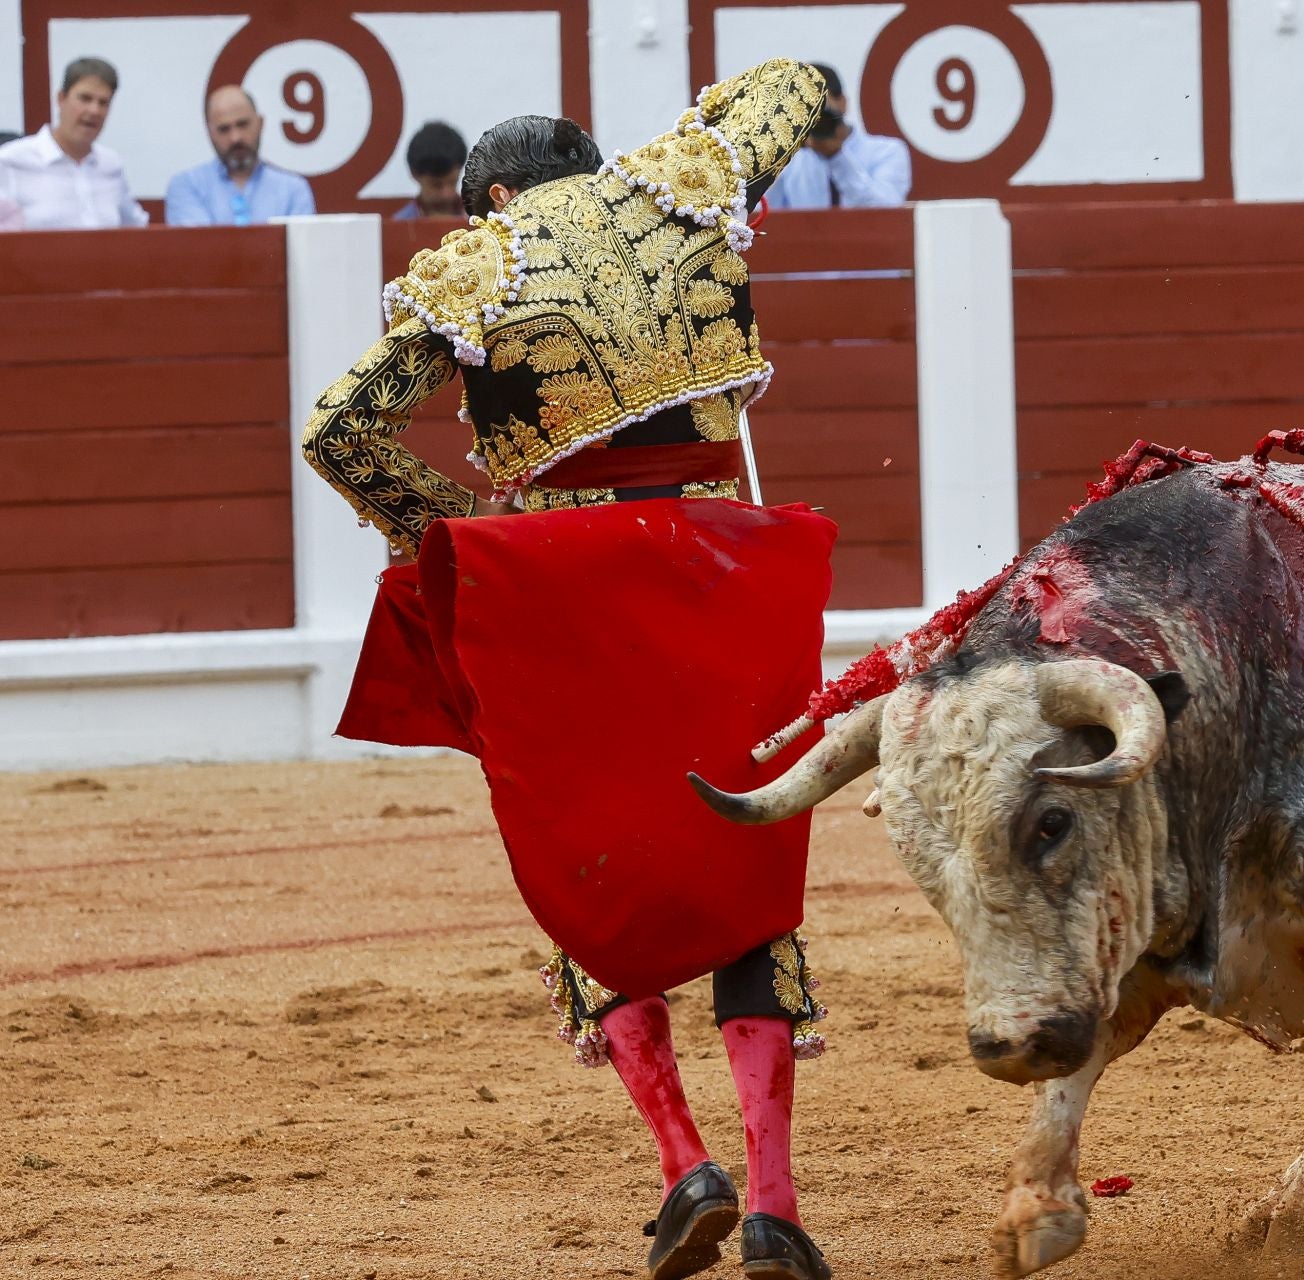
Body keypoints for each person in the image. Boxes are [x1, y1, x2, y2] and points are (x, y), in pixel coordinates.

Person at [301, 60, 836, 1280]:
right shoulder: (683, 191)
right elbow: (797, 83)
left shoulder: (480, 259)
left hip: (567, 594)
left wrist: (462, 538)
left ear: (489, 194)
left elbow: (339, 430)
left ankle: (682, 1164)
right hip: (724, 569)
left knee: (595, 861)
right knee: (745, 860)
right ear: (600, 170)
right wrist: (662, 164)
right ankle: (774, 1201)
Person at [0, 57, 147, 229]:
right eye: (85, 98)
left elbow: (137, 229)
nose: (94, 110)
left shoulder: (111, 165)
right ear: (61, 99)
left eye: (103, 103)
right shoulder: (10, 161)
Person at [764, 62, 910, 208]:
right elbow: (761, 216)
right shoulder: (791, 162)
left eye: (821, 110)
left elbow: (887, 210)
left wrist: (837, 157)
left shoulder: (887, 151)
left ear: (843, 103)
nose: (815, 120)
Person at [164, 85, 316, 225]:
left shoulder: (293, 190)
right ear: (210, 134)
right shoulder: (187, 186)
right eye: (224, 129)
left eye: (242, 124)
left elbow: (301, 251)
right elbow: (198, 249)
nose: (235, 137)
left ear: (260, 124)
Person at [393, 120, 466, 219]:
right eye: (436, 185)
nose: (447, 194)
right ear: (414, 174)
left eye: (453, 182)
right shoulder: (399, 225)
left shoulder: (483, 222)